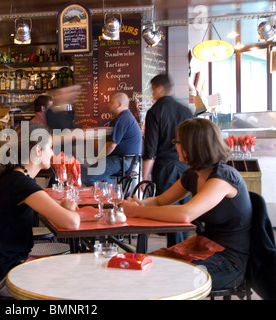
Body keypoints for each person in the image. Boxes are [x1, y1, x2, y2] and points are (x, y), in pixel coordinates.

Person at [122, 118, 252, 291]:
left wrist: (137, 212)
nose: (175, 146)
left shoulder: (223, 178)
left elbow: (186, 214)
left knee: (161, 279)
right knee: (138, 266)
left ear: (193, 146)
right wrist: (140, 203)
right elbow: (160, 200)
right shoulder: (193, 174)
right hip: (202, 247)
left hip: (229, 260)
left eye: (177, 141)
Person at [0, 122, 80, 298]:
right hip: (0, 278)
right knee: (70, 281)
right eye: (50, 148)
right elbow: (72, 222)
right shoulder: (19, 183)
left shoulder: (14, 177)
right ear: (38, 150)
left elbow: (49, 207)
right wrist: (69, 208)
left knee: (68, 272)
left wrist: (62, 208)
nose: (52, 153)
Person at [142, 74, 194, 247]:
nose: (152, 94)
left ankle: (176, 253)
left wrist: (144, 177)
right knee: (185, 214)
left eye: (152, 89)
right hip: (187, 166)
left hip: (165, 168)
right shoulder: (185, 110)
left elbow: (150, 149)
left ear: (158, 88)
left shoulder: (155, 112)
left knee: (170, 214)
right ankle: (184, 251)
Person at [81, 92, 142, 187]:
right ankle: (113, 194)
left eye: (111, 102)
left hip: (123, 161)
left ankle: (112, 196)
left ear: (119, 104)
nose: (108, 105)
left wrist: (97, 158)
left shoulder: (123, 119)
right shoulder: (126, 117)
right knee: (93, 173)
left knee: (88, 176)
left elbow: (111, 146)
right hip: (127, 160)